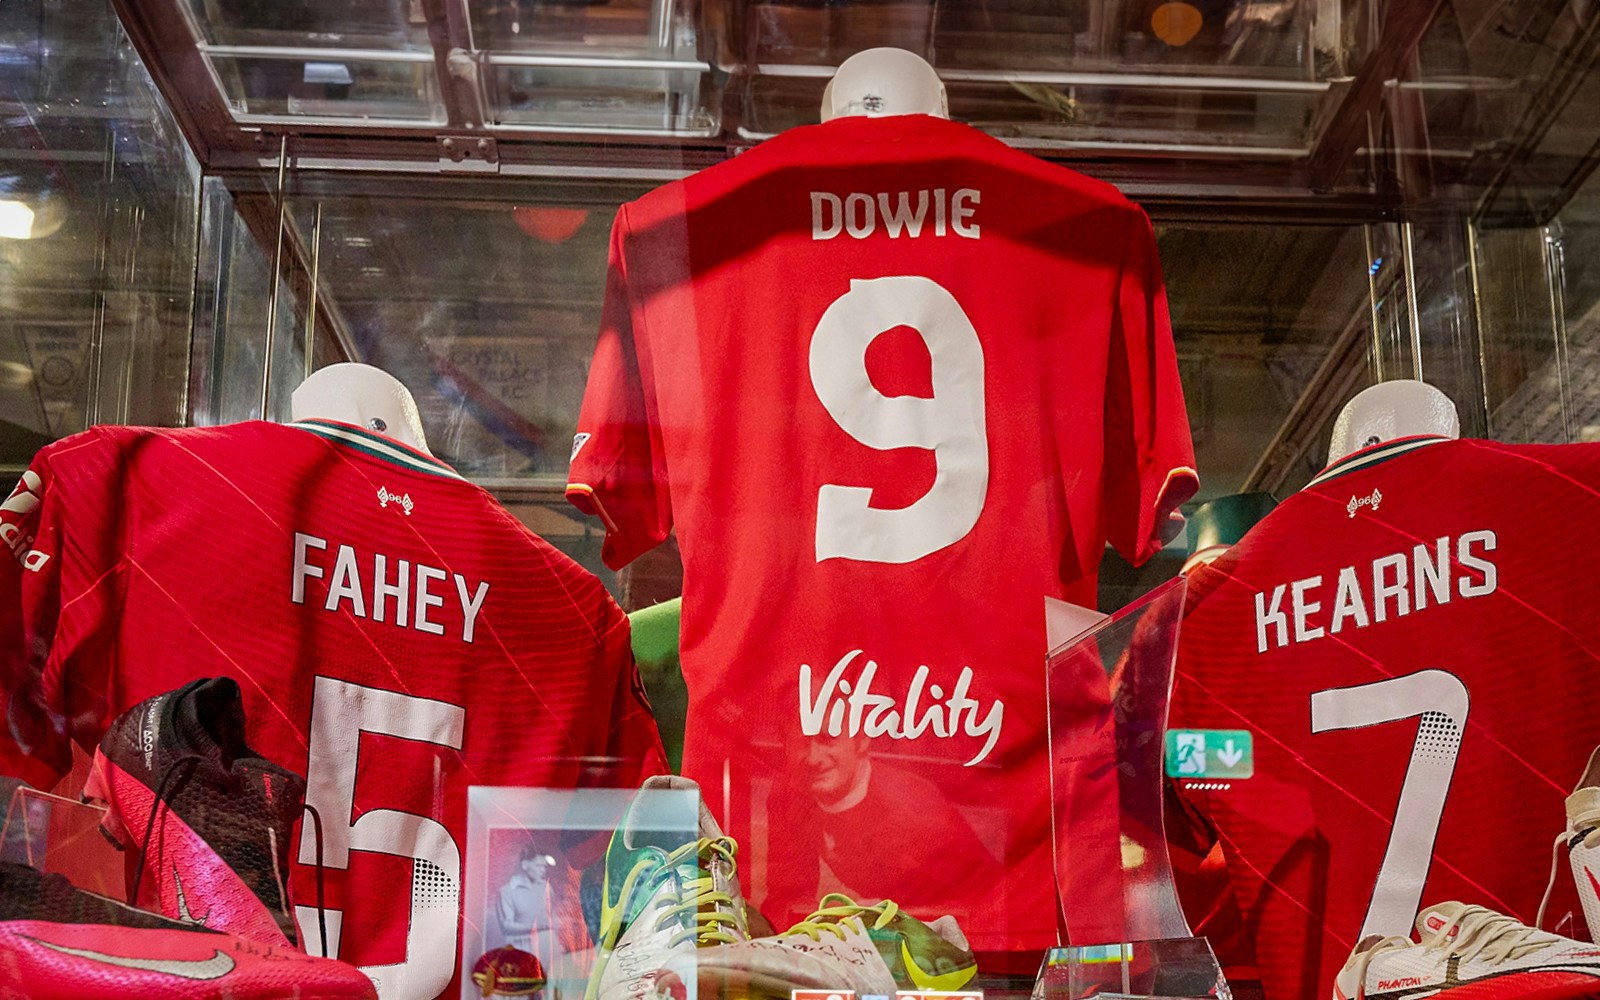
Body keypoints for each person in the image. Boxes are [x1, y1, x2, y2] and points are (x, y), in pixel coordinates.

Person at [498, 845, 557, 968]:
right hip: (520, 951)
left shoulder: (546, 888)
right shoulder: (508, 891)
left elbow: (553, 916)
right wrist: (538, 927)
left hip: (546, 949)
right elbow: (507, 926)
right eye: (538, 866)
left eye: (544, 866)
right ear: (525, 865)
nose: (543, 870)